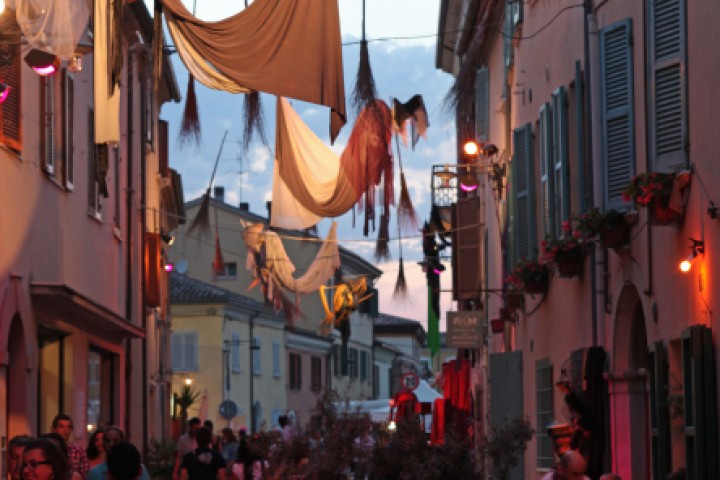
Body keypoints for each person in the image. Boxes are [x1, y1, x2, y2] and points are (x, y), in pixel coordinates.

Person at [52, 414, 89, 479]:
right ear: (54, 429)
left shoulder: (79, 450)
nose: (65, 430)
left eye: (68, 427)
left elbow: (84, 474)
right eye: (61, 426)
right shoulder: (49, 449)